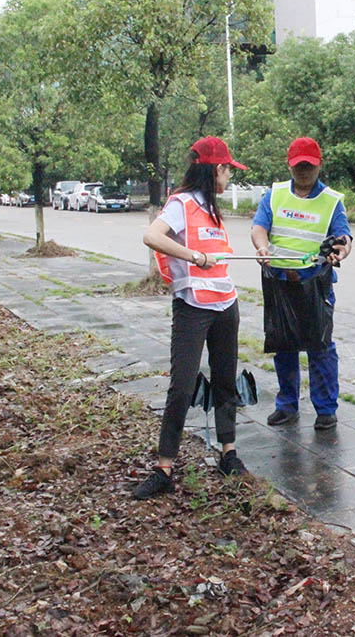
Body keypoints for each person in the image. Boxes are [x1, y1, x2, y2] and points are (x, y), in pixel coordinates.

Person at [134, 136, 247, 500]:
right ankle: (165, 467)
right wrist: (194, 257)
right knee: (181, 387)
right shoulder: (182, 203)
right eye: (229, 169)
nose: (230, 176)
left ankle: (228, 453)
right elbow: (152, 236)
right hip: (193, 308)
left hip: (225, 305)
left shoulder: (213, 208)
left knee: (225, 381)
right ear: (217, 169)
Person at [251, 137, 352, 430]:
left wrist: (341, 249)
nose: (304, 172)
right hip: (280, 281)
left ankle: (325, 409)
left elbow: (343, 235)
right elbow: (260, 227)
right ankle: (287, 405)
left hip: (315, 283)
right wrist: (261, 246)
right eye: (299, 166)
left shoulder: (332, 200)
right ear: (290, 166)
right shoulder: (275, 195)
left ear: (319, 165)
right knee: (284, 344)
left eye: (309, 166)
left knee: (320, 346)